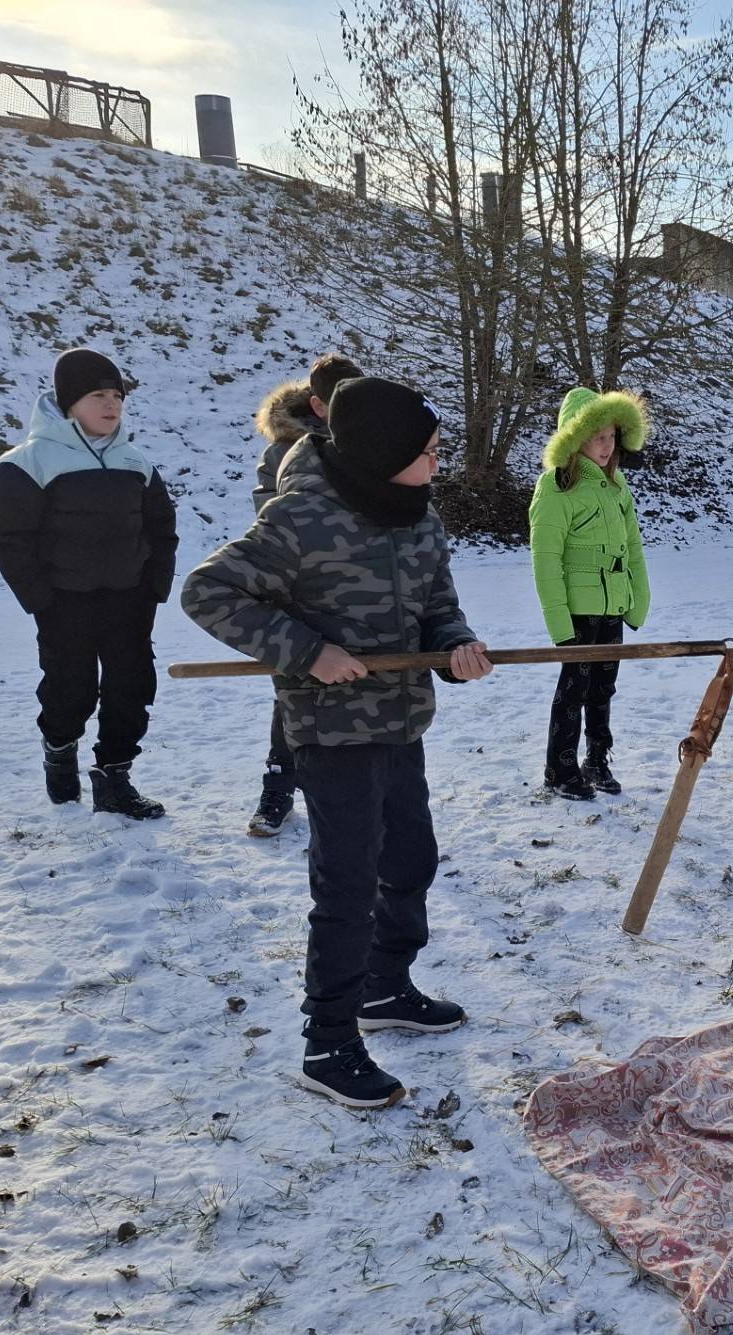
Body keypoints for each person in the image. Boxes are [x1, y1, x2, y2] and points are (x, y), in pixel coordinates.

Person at [182, 377, 493, 1108]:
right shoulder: (301, 519)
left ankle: (384, 986)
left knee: (410, 861)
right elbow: (208, 592)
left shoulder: (421, 518)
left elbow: (438, 606)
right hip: (331, 731)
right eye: (427, 452)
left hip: (401, 720)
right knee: (348, 885)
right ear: (383, 451)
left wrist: (455, 646)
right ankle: (327, 1040)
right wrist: (307, 651)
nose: (437, 464)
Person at [0, 346, 177, 820]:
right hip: (64, 601)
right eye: (98, 395)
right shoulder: (27, 462)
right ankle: (59, 749)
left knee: (131, 688)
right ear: (69, 402)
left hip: (129, 599)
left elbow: (162, 529)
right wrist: (39, 598)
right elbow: (11, 538)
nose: (111, 405)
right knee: (71, 688)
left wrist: (153, 587)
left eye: (118, 396)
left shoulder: (135, 462)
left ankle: (115, 777)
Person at [244, 353, 364, 838]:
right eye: (341, 402)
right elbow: (270, 520)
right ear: (317, 405)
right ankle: (278, 787)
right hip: (303, 591)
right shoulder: (283, 454)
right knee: (295, 691)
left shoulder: (370, 445)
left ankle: (354, 791)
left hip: (361, 593)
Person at [528, 388, 651, 800]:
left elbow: (633, 548)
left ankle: (596, 761)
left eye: (612, 436)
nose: (606, 445)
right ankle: (560, 770)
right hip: (578, 612)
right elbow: (546, 561)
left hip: (612, 605)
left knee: (603, 690)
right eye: (597, 436)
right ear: (575, 437)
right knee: (573, 692)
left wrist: (637, 599)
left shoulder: (616, 485)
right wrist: (559, 625)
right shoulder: (556, 487)